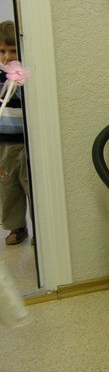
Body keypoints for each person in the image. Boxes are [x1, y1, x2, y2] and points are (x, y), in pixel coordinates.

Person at [0, 21, 29, 246]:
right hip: (4, 144)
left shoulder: (25, 77)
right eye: (2, 51)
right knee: (8, 187)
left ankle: (42, 230)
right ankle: (16, 227)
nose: (7, 56)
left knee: (30, 185)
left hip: (26, 142)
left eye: (12, 51)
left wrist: (19, 82)